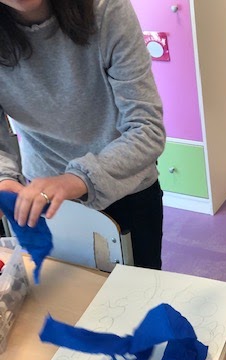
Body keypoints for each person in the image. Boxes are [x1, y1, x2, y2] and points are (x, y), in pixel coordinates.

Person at [0, 0, 165, 269]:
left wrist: (76, 179)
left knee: (139, 288)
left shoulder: (106, 9)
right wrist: (4, 178)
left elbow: (147, 129)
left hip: (124, 185)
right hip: (44, 198)